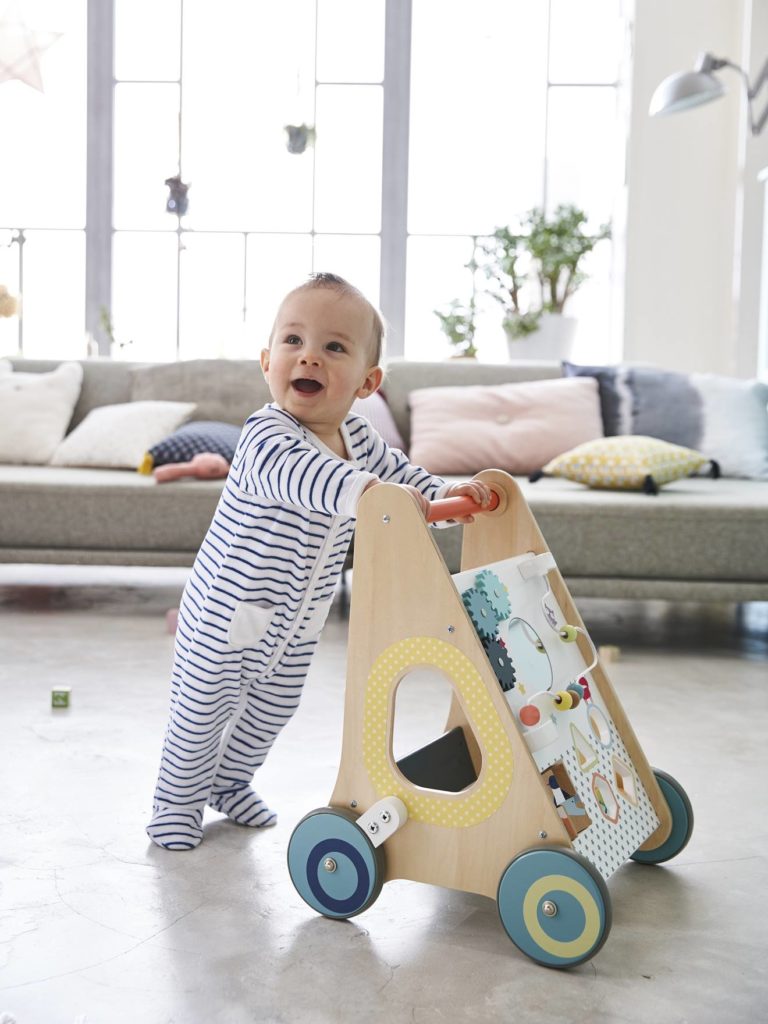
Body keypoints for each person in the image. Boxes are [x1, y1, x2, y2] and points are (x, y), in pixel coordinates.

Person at [147, 272, 492, 850]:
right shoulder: (265, 435)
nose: (309, 356)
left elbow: (407, 480)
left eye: (334, 347)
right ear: (266, 361)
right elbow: (312, 480)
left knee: (271, 710)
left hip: (297, 621)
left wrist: (455, 499)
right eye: (293, 341)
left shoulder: (360, 439)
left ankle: (231, 784)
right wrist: (370, 495)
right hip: (227, 614)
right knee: (203, 710)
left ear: (367, 381)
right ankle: (174, 803)